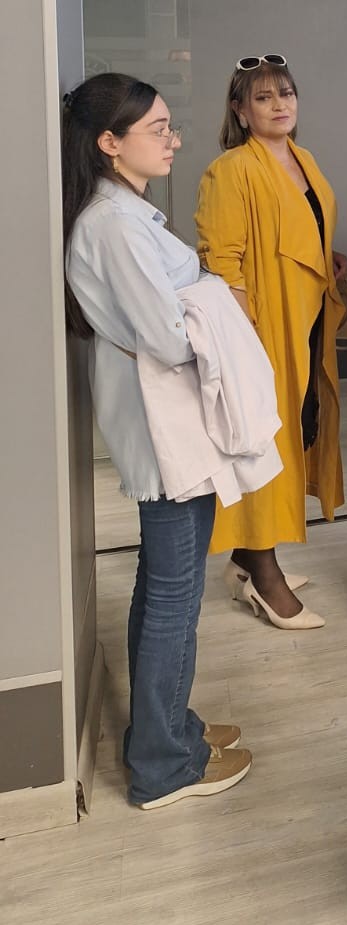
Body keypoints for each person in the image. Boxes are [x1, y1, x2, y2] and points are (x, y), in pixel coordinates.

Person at [63, 74, 253, 809]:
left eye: (171, 126)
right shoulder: (112, 224)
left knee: (164, 586)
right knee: (175, 595)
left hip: (170, 424)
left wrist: (197, 293)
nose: (173, 140)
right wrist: (213, 295)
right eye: (158, 129)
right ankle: (163, 765)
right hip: (164, 427)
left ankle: (167, 727)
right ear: (109, 142)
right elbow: (170, 338)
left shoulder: (125, 214)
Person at [195, 56, 347, 630]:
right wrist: (245, 342)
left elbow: (305, 229)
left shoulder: (304, 160)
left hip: (306, 318)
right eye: (263, 98)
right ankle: (264, 573)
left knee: (298, 428)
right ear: (240, 111)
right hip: (264, 327)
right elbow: (222, 262)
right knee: (266, 443)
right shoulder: (231, 170)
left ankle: (244, 560)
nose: (280, 105)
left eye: (286, 93)